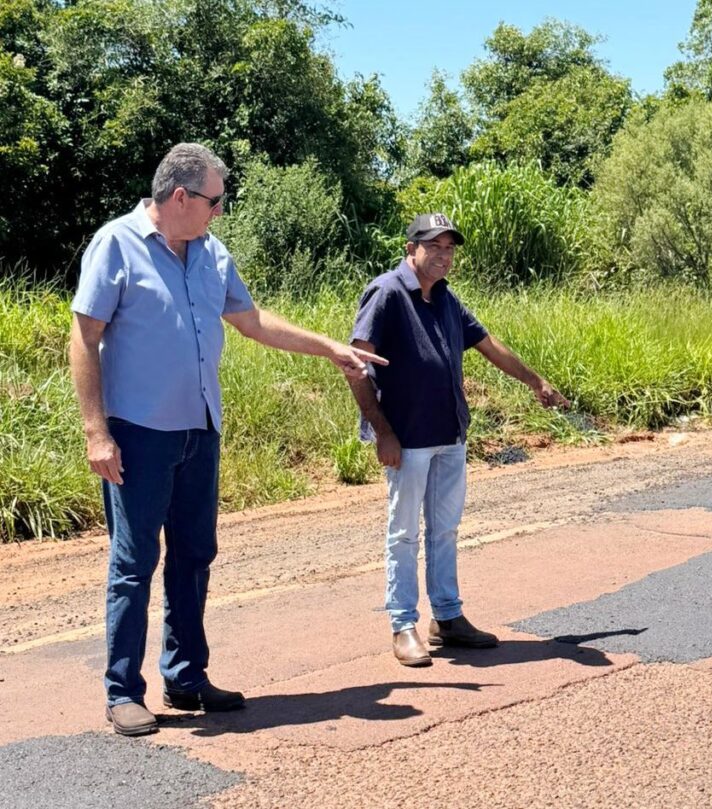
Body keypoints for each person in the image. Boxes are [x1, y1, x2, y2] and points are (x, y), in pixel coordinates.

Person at [69, 143, 385, 736]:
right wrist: (97, 431)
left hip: (200, 427)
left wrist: (331, 348)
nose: (221, 211)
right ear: (181, 197)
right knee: (135, 562)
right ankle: (123, 691)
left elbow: (251, 320)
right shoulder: (117, 243)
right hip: (138, 434)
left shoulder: (212, 254)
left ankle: (186, 677)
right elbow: (84, 338)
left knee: (194, 556)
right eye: (215, 201)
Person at [347, 213, 569, 667]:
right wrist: (382, 430)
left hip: (449, 433)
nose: (444, 256)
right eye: (435, 247)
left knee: (445, 530)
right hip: (406, 438)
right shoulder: (387, 292)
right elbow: (357, 364)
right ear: (411, 249)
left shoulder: (447, 299)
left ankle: (447, 618)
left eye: (450, 249)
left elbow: (489, 345)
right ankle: (403, 625)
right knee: (405, 533)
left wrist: (535, 381)